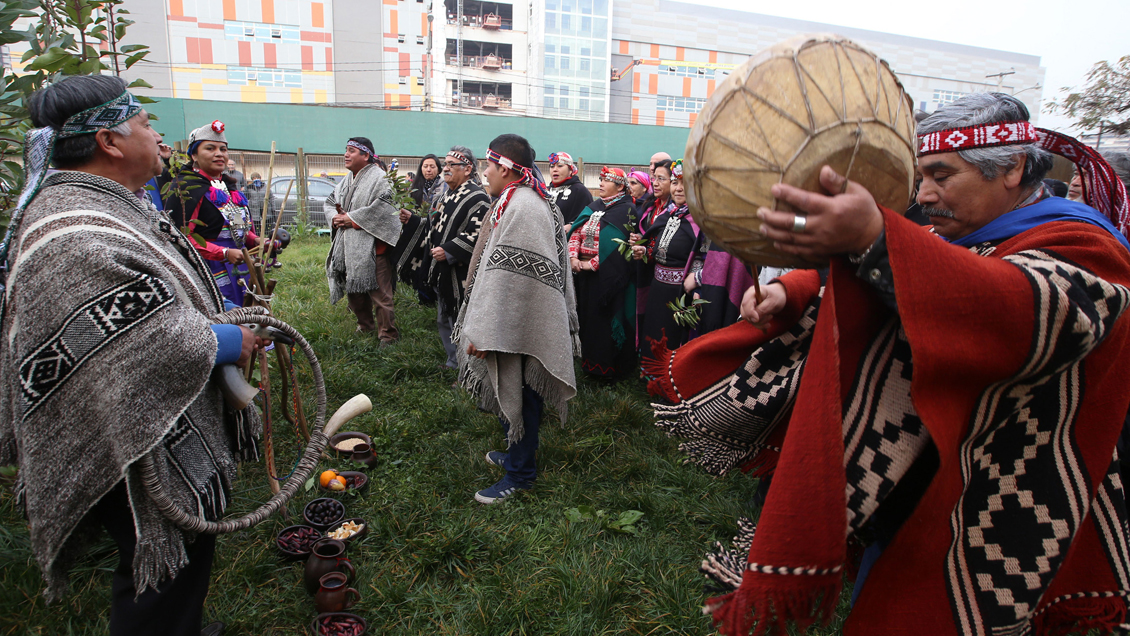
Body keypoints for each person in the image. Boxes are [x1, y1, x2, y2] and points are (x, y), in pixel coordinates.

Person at [652, 92, 1130, 636]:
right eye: (920, 177)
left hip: (1003, 514)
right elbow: (890, 273)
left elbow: (1019, 310)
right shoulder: (957, 236)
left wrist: (879, 238)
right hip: (909, 490)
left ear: (1013, 168)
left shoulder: (1082, 244)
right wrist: (791, 290)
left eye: (942, 176)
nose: (924, 196)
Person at [0, 74, 264, 636]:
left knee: (180, 574)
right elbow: (135, 341)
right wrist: (225, 340)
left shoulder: (106, 207)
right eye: (145, 123)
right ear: (109, 142)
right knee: (156, 575)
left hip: (151, 417)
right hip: (132, 432)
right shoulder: (75, 231)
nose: (156, 136)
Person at [455, 133, 578, 504]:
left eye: (487, 166)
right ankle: (515, 453)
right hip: (513, 318)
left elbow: (510, 285)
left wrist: (485, 331)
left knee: (524, 391)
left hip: (520, 322)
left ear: (506, 167)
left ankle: (520, 474)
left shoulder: (524, 208)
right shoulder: (515, 200)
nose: (483, 173)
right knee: (514, 386)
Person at [164, 120, 272, 306]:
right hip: (210, 266)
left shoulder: (228, 186)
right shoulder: (186, 187)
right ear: (194, 155)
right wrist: (223, 252)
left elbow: (235, 226)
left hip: (240, 262)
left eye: (223, 149)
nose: (219, 154)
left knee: (252, 313)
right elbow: (180, 237)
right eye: (210, 148)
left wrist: (254, 239)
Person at [325, 137, 402, 342]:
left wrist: (351, 219)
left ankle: (387, 335)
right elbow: (330, 202)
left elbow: (385, 208)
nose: (346, 154)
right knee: (355, 293)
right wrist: (335, 217)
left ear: (365, 155)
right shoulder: (346, 180)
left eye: (351, 151)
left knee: (381, 296)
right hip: (349, 246)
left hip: (374, 248)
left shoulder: (380, 178)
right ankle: (364, 326)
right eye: (346, 150)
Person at [567, 167, 638, 379]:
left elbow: (617, 247)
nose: (601, 184)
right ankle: (588, 364)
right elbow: (576, 232)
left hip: (609, 277)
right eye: (600, 179)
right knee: (587, 318)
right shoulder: (593, 206)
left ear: (620, 186)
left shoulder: (626, 210)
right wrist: (573, 258)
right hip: (584, 274)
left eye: (606, 181)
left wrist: (592, 265)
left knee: (604, 322)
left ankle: (607, 369)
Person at [426, 146, 491, 369]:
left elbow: (479, 234)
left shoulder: (478, 197)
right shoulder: (446, 194)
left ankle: (468, 366)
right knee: (444, 317)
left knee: (461, 319)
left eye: (451, 165)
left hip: (463, 272)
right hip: (443, 272)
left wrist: (450, 250)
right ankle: (453, 361)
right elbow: (436, 227)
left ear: (467, 168)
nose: (445, 169)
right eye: (445, 164)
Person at [632, 159, 699, 352]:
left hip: (680, 294)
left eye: (685, 183)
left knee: (672, 338)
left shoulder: (700, 221)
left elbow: (707, 258)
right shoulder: (668, 215)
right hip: (657, 288)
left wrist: (696, 279)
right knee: (655, 332)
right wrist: (644, 251)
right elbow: (657, 247)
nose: (678, 189)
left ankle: (670, 378)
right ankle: (653, 376)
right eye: (676, 183)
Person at [394, 154, 447, 305]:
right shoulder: (415, 186)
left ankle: (434, 298)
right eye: (425, 166)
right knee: (419, 264)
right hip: (417, 232)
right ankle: (422, 297)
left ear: (438, 169)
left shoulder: (445, 186)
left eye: (432, 166)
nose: (428, 170)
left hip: (436, 232)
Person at [545, 151, 593, 230]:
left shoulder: (580, 191)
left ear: (570, 170)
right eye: (552, 166)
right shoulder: (545, 191)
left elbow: (588, 217)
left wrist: (572, 225)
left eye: (560, 166)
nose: (555, 169)